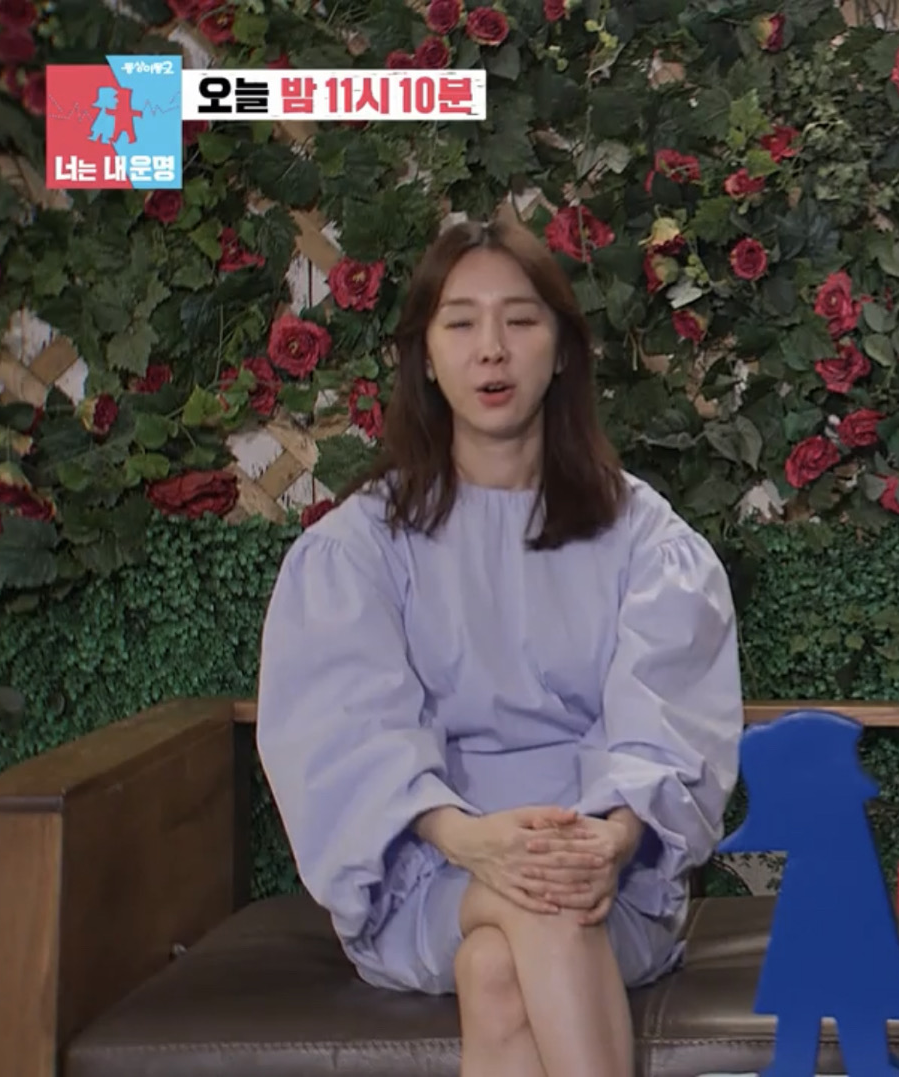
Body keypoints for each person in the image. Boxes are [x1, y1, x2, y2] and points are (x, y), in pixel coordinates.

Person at [255, 216, 744, 1077]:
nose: (492, 349)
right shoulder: (359, 547)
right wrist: (473, 840)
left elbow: (666, 717)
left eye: (520, 320)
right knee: (537, 906)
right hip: (426, 873)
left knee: (501, 960)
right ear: (426, 357)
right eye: (461, 323)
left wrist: (610, 839)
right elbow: (347, 737)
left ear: (561, 353)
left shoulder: (644, 537)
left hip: (607, 874)